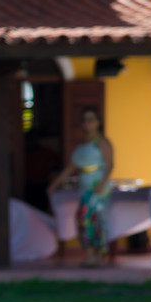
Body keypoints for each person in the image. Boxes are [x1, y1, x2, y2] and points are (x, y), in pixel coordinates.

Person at [48, 107, 114, 268]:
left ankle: (98, 255)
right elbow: (71, 167)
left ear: (98, 122)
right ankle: (90, 254)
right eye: (85, 120)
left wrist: (101, 183)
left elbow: (110, 165)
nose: (87, 123)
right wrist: (54, 185)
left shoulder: (101, 142)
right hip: (84, 186)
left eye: (91, 119)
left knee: (93, 218)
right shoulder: (82, 145)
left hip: (98, 186)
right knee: (83, 219)